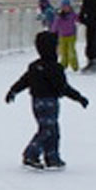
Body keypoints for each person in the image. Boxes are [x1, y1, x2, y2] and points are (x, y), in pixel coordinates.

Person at [5, 31, 89, 171]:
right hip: (49, 102)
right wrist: (79, 97)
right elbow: (63, 87)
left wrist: (13, 91)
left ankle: (52, 158)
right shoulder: (55, 68)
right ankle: (31, 154)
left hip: (37, 102)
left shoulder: (35, 66)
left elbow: (24, 81)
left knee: (52, 129)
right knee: (48, 130)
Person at [51, 0, 79, 71]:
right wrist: (53, 32)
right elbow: (55, 25)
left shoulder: (72, 15)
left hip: (71, 36)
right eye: (63, 6)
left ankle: (75, 66)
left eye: (67, 6)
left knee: (71, 51)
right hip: (62, 36)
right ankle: (63, 65)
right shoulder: (59, 16)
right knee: (63, 52)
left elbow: (78, 19)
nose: (65, 8)